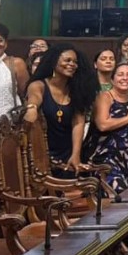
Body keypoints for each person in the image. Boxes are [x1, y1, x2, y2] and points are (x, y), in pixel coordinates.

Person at [24, 45, 98, 177]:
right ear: (54, 62)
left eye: (75, 62)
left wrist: (75, 155)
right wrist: (32, 108)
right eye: (67, 60)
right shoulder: (39, 85)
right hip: (41, 152)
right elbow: (34, 98)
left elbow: (78, 123)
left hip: (67, 152)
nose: (72, 65)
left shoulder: (76, 89)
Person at [86, 63, 128, 193]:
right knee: (118, 198)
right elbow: (102, 125)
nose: (125, 78)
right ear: (112, 79)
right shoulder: (105, 97)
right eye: (120, 74)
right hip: (106, 158)